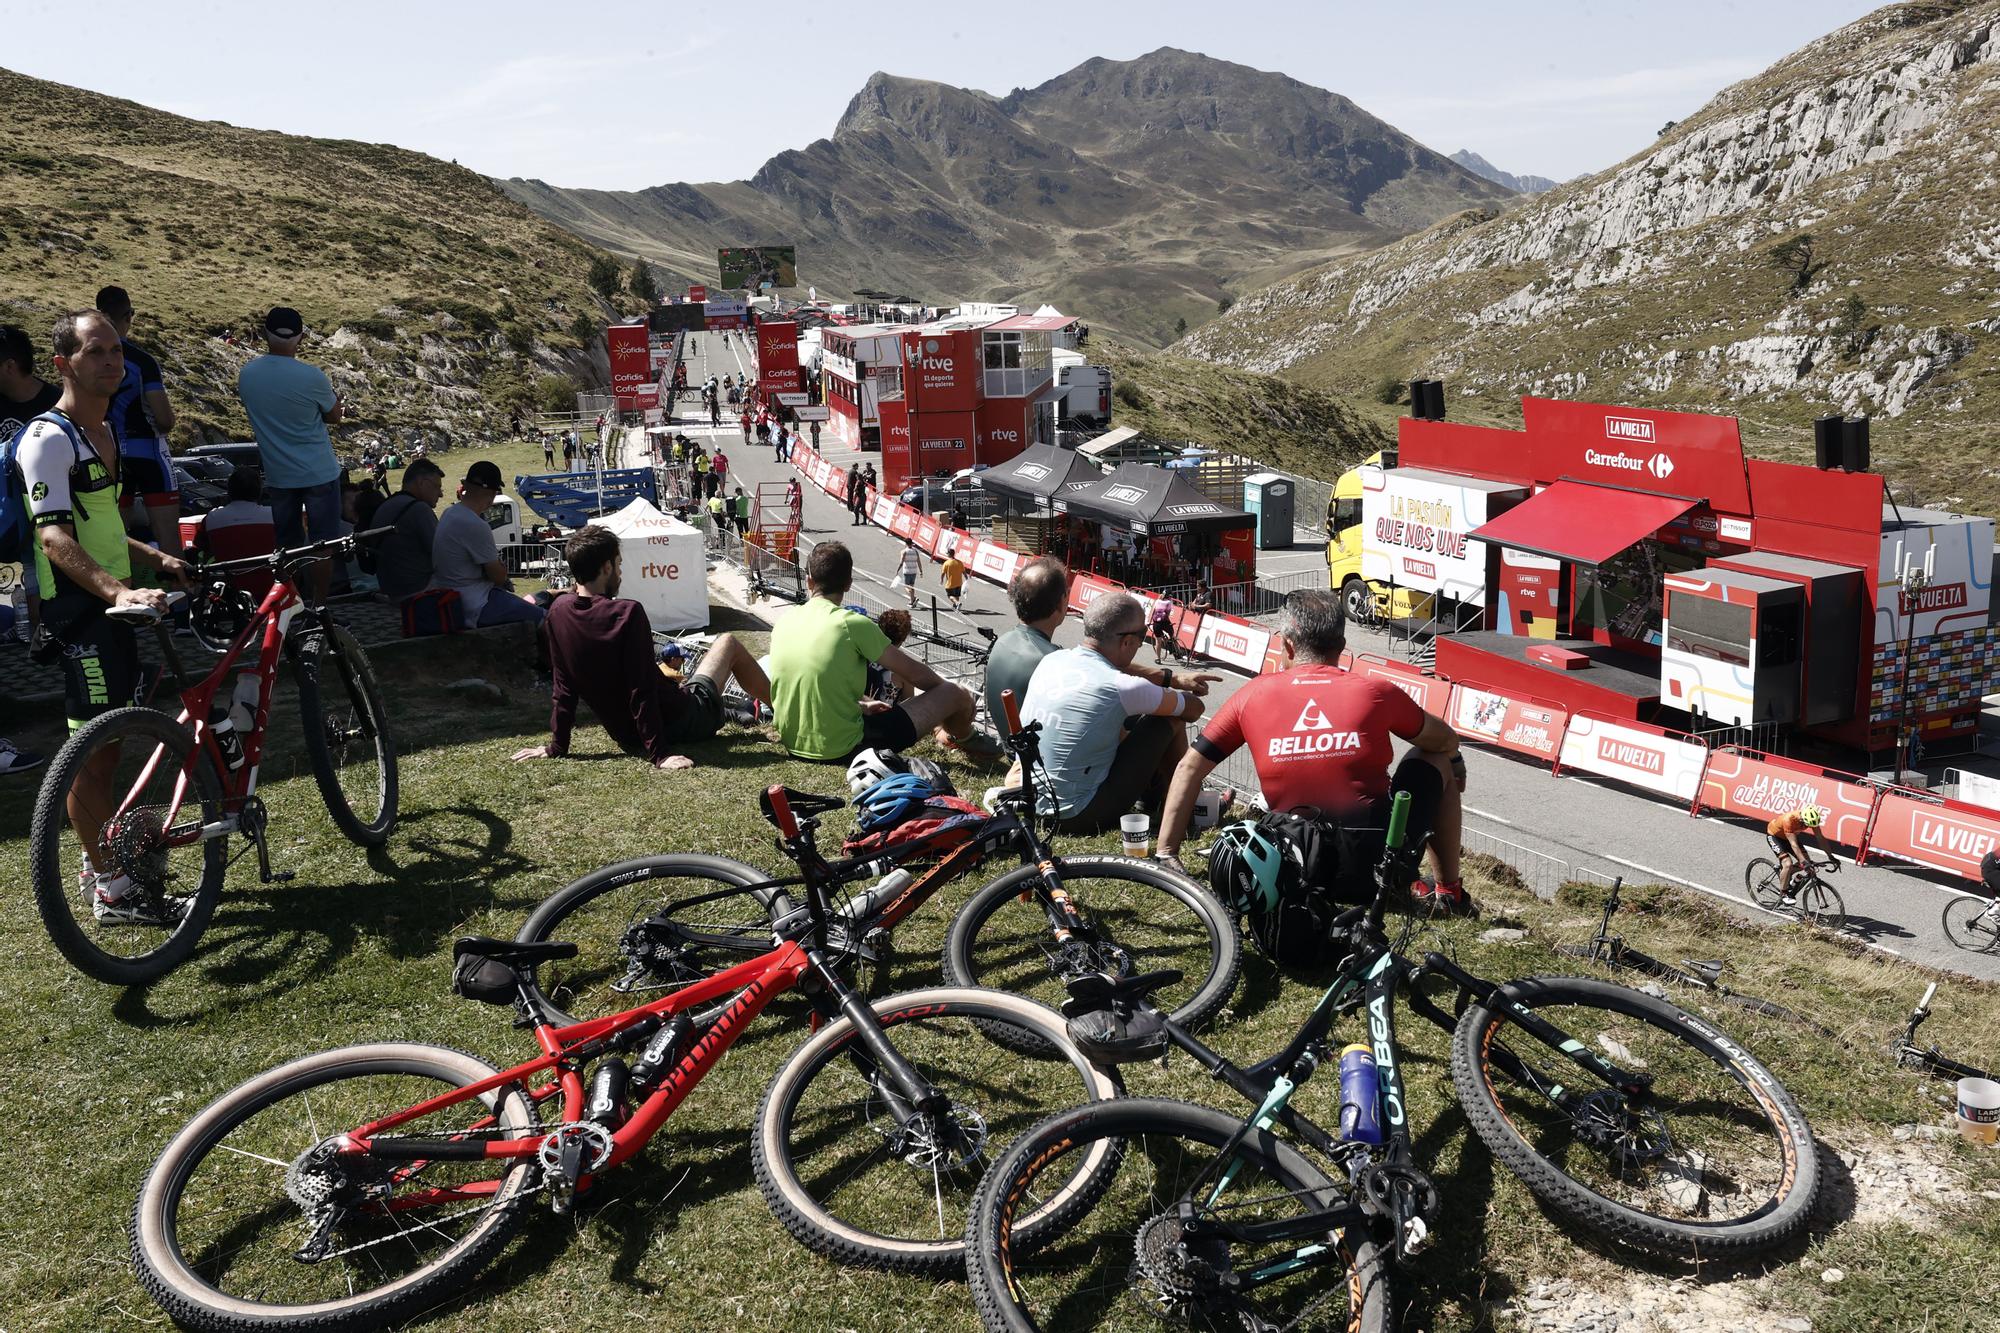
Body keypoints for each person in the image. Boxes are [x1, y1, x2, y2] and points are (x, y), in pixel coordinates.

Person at [21, 310, 193, 917]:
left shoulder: (106, 433)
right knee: (92, 756)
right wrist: (116, 593)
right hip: (80, 612)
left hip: (113, 606)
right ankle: (111, 890)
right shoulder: (48, 438)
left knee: (110, 747)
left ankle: (106, 869)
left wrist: (156, 558)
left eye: (117, 351)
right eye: (96, 352)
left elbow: (107, 527)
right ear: (64, 363)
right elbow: (55, 539)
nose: (112, 362)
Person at [1155, 589, 1468, 910]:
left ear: (1287, 645)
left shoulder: (1252, 695)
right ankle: (1448, 893)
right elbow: (1444, 740)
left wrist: (1167, 854)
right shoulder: (1375, 691)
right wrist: (1455, 760)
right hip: (1376, 871)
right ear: (1342, 648)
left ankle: (1167, 854)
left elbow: (1189, 768)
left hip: (1291, 868)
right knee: (1434, 757)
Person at [513, 525, 767, 771]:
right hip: (682, 720)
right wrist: (660, 754)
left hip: (628, 736)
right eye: (619, 564)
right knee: (727, 644)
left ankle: (736, 712)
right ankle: (786, 711)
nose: (621, 573)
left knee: (688, 684)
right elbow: (641, 688)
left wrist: (557, 746)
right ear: (606, 567)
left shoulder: (557, 613)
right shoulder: (626, 613)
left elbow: (563, 686)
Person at [766, 541, 999, 763]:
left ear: (809, 581)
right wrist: (950, 698)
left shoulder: (784, 621)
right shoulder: (851, 623)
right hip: (845, 748)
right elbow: (917, 675)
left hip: (793, 744)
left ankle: (952, 733)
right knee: (954, 693)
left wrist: (861, 706)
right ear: (848, 583)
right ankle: (965, 737)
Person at [1020, 591, 1207, 834]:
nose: (1142, 643)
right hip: (1076, 814)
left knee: (1123, 718)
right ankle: (1185, 810)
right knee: (1169, 718)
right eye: (1143, 635)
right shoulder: (1122, 686)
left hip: (1029, 801)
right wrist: (1177, 690)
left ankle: (1160, 799)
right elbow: (1194, 710)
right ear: (1127, 641)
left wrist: (1168, 680)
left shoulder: (1053, 659)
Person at [236, 306, 343, 602]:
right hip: (319, 471)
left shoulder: (248, 375)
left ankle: (290, 605)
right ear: (300, 337)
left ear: (264, 334)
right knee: (323, 545)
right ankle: (321, 608)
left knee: (287, 545)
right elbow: (334, 416)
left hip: (280, 475)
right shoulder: (312, 376)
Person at [94, 287, 180, 553]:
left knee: (115, 541)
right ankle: (181, 592)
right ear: (129, 316)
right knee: (169, 540)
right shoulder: (142, 361)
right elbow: (164, 419)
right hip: (148, 451)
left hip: (107, 453)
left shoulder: (88, 360)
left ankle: (118, 592)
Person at [1, 324, 62, 650]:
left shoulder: (55, 403)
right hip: (13, 514)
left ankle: (52, 637)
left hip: (54, 513)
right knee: (30, 574)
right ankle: (38, 637)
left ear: (10, 366)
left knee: (52, 578)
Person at [431, 460, 544, 626]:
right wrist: (500, 567)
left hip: (450, 597)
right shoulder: (474, 524)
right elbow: (498, 577)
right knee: (544, 617)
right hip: (474, 602)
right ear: (491, 493)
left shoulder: (450, 513)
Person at [369, 457, 444, 603]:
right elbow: (442, 554)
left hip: (391, 589)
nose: (440, 494)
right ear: (422, 483)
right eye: (437, 487)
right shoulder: (419, 509)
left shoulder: (386, 505)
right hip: (417, 590)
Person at [198, 465, 277, 602]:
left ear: (229, 491)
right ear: (259, 491)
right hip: (271, 587)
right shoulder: (273, 515)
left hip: (229, 591)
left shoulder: (212, 518)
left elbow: (200, 547)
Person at [1766, 805, 1831, 907]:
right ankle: (1783, 894)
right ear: (1802, 818)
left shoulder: (1811, 819)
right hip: (1775, 837)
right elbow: (1794, 845)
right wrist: (1803, 862)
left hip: (1790, 837)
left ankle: (1787, 874)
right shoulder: (1790, 819)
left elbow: (1820, 838)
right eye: (1806, 824)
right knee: (1788, 864)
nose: (1807, 826)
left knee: (1808, 862)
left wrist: (1830, 856)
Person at [1149, 594, 1177, 664]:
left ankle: (1158, 659)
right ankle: (1174, 650)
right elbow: (1167, 614)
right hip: (1165, 622)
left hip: (1156, 623)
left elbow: (1152, 611)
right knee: (1172, 634)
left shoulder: (1157, 601)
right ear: (1169, 597)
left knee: (1158, 641)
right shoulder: (1169, 602)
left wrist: (1149, 622)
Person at [897, 538, 922, 609]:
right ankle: (912, 601)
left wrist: (898, 570)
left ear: (905, 543)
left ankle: (913, 598)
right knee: (911, 586)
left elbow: (901, 562)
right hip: (914, 571)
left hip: (907, 571)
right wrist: (921, 571)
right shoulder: (916, 551)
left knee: (906, 586)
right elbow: (919, 562)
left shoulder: (904, 551)